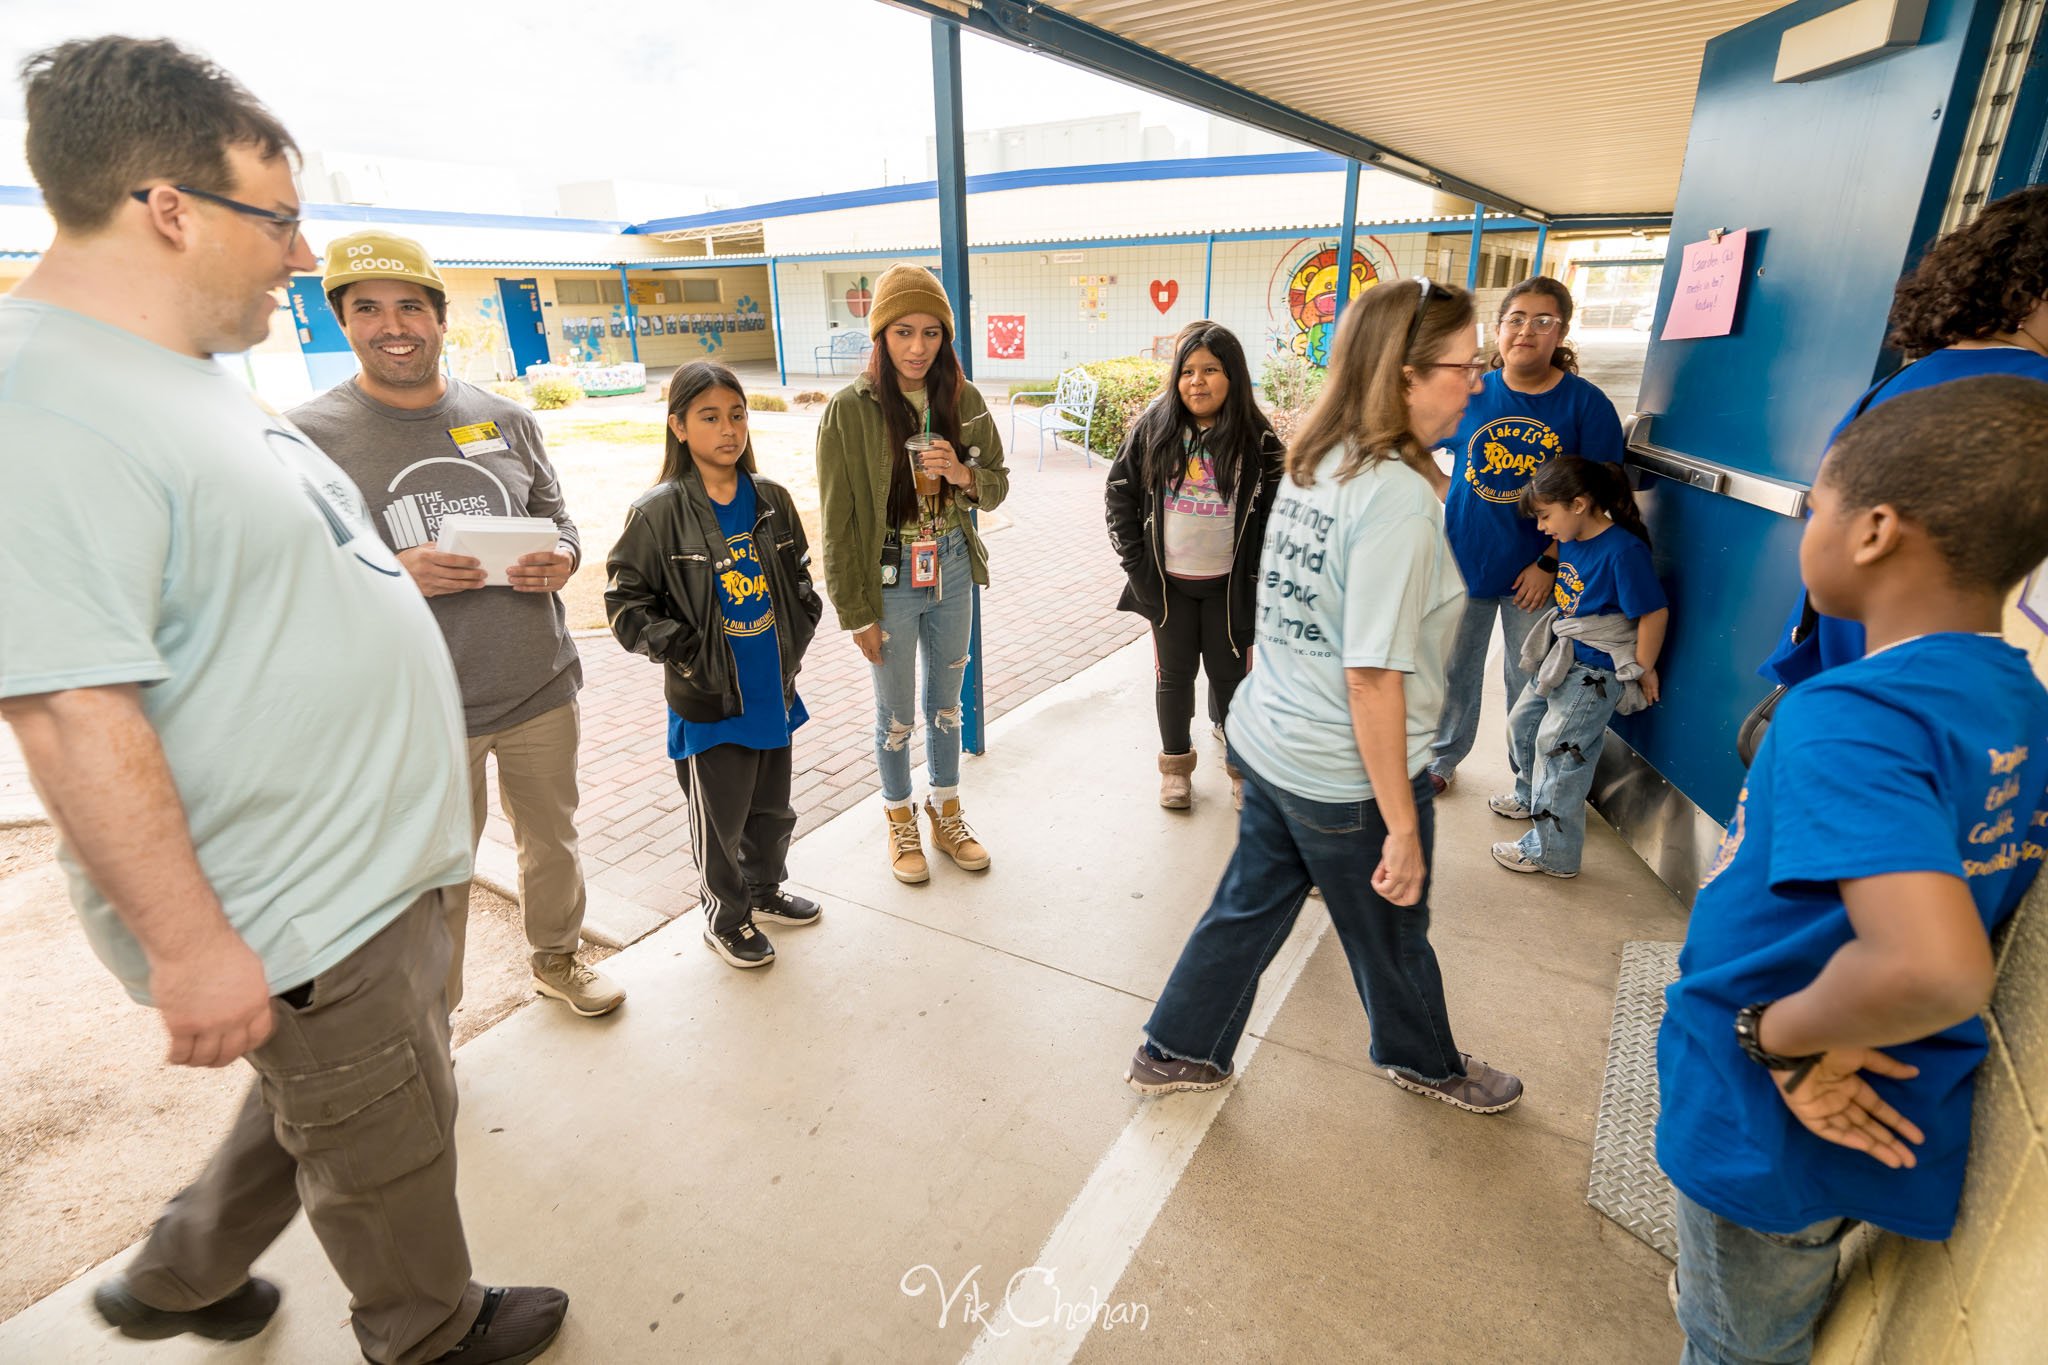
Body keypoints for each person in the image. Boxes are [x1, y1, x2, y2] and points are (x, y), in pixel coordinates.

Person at [0, 37, 565, 1363]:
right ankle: (430, 1332)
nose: (303, 258)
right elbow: (71, 708)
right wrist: (194, 950)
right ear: (172, 209)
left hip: (356, 893)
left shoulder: (170, 376)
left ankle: (183, 1275)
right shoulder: (45, 407)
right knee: (385, 1142)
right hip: (304, 907)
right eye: (281, 218)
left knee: (334, 1098)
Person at [1657, 376, 2048, 1364]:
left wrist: (1777, 1038)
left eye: (1810, 507)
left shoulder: (1855, 714)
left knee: (1735, 1341)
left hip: (1771, 1117)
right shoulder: (2007, 694)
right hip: (1871, 1108)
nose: (1804, 527)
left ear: (1872, 531)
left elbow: (1936, 965)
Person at [1125, 278, 1524, 1115]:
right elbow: (1373, 674)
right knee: (1392, 923)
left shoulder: (1323, 458)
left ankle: (1178, 1047)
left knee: (1247, 909)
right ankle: (1426, 1060)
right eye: (1466, 364)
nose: (1478, 381)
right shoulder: (1394, 502)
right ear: (1406, 375)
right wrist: (1404, 826)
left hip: (1272, 742)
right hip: (1344, 770)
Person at [290, 231, 624, 1019]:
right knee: (435, 873)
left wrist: (564, 557)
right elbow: (291, 577)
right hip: (417, 704)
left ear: (442, 319)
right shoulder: (310, 437)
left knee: (553, 843)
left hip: (535, 683)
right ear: (343, 320)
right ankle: (433, 1019)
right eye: (366, 308)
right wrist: (389, 572)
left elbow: (558, 518)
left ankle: (557, 958)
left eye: (410, 305)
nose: (391, 324)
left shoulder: (504, 417)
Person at [1761, 182, 2048, 687]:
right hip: (1967, 704)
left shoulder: (1892, 387)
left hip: (1856, 677)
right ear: (2029, 291)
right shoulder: (2034, 397)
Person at [606, 362, 823, 969]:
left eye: (737, 415)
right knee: (720, 824)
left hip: (771, 691)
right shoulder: (657, 512)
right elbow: (625, 603)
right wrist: (687, 652)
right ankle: (725, 919)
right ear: (678, 426)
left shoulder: (772, 500)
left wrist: (798, 632)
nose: (729, 430)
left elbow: (800, 581)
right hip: (710, 700)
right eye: (709, 417)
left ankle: (765, 891)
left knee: (770, 810)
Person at [815, 264, 1010, 883]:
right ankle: (899, 819)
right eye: (903, 332)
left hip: (951, 565)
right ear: (881, 336)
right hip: (890, 576)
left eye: (931, 333)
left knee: (947, 706)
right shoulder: (848, 410)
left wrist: (961, 474)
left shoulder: (966, 399)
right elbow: (837, 521)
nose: (918, 347)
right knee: (896, 712)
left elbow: (998, 485)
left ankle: (945, 809)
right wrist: (856, 612)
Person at [1429, 277, 1625, 794]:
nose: (1526, 331)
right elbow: (1408, 436)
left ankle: (1529, 782)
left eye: (1543, 321)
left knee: (1534, 681)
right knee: (1453, 673)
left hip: (1537, 573)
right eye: (1515, 319)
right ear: (1498, 328)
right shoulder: (1472, 390)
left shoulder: (1586, 405)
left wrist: (1550, 560)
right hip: (1462, 557)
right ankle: (1440, 761)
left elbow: (1603, 495)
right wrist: (1445, 486)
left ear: (1561, 332)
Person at [1105, 320, 1285, 810]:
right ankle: (1175, 766)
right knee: (1174, 678)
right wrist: (1137, 568)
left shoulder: (1258, 438)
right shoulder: (1154, 428)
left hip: (1231, 589)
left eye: (1210, 369)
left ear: (1233, 375)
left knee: (1232, 682)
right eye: (1187, 371)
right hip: (1169, 588)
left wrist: (1260, 577)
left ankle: (1241, 770)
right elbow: (1118, 495)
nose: (1197, 381)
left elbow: (1280, 510)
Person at [1488, 456, 1668, 879]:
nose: (1541, 528)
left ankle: (1552, 852)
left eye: (1546, 516)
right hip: (1561, 657)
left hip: (1595, 675)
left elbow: (1653, 613)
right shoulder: (1570, 537)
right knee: (1523, 727)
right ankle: (1530, 798)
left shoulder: (1623, 552)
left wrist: (1642, 668)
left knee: (1561, 759)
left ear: (1580, 504)